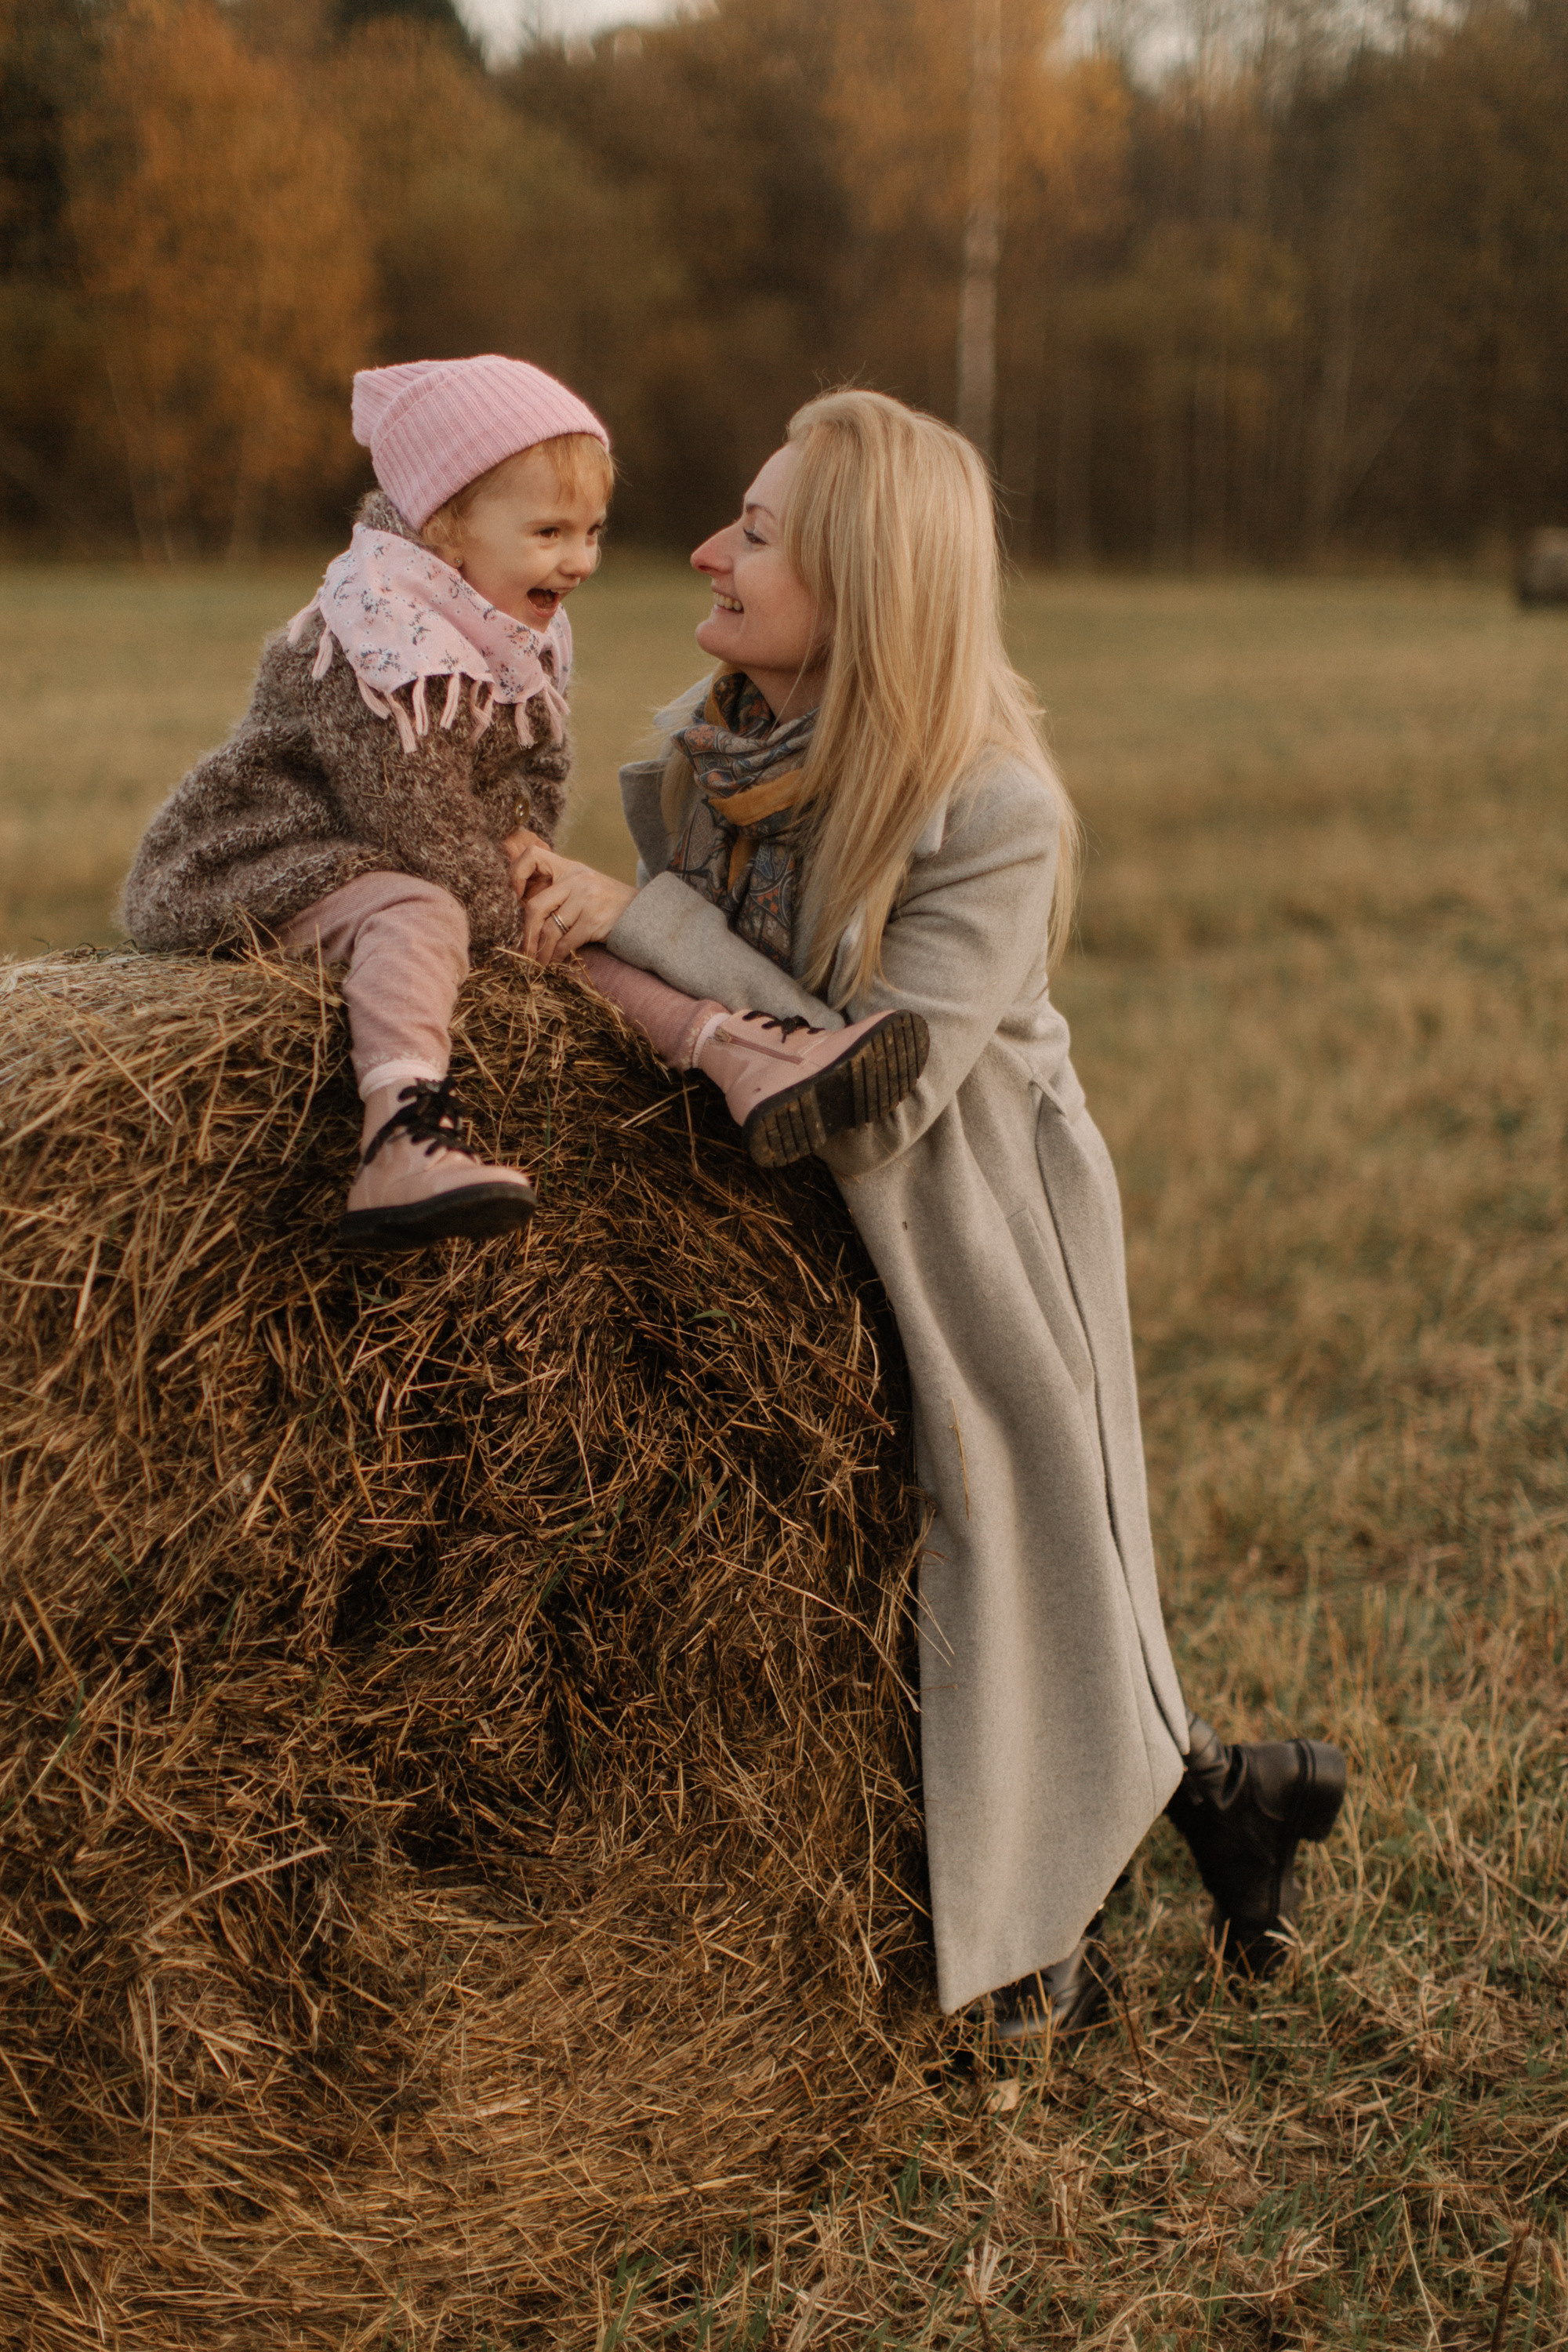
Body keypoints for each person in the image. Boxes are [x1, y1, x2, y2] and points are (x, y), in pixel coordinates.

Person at [507, 388, 1348, 2031]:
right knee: (942, 1569)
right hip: (794, 1210)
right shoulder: (711, 756)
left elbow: (874, 1076)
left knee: (1016, 1554)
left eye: (754, 531)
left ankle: (1042, 1946)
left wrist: (651, 926)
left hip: (973, 1220)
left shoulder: (989, 812)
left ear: (868, 581)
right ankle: (1241, 1804)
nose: (704, 548)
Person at [121, 358, 926, 1249]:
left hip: (397, 861)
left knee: (551, 923)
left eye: (592, 532)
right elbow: (409, 811)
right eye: (549, 531)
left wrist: (527, 864)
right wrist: (506, 899)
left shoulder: (507, 626)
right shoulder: (380, 635)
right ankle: (400, 1131)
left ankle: (743, 1054)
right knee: (428, 912)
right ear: (446, 526)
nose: (578, 560)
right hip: (270, 860)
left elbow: (529, 777)